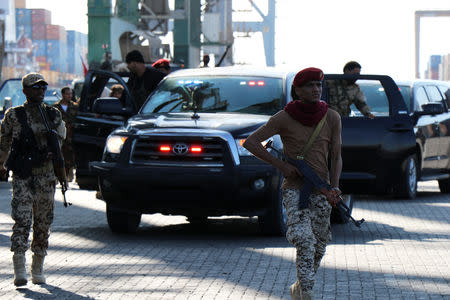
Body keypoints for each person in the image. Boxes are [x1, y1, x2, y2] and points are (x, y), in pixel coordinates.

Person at [243, 68, 342, 300]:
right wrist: (283, 166)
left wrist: (335, 187)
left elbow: (336, 155)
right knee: (304, 240)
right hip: (295, 190)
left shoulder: (332, 117)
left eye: (319, 85)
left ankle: (300, 285)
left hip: (322, 189)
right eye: (310, 86)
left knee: (319, 245)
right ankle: (306, 293)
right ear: (297, 90)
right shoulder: (284, 117)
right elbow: (251, 142)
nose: (316, 89)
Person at [0, 73, 66, 286]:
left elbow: (60, 144)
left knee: (43, 223)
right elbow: (4, 142)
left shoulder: (53, 115)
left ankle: (37, 267)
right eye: (35, 87)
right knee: (21, 220)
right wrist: (1, 165)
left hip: (46, 177)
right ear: (25, 91)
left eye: (43, 87)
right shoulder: (13, 115)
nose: (40, 90)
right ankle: (19, 268)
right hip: (23, 175)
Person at [53, 86, 79, 182]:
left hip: (71, 136)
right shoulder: (55, 107)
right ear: (63, 94)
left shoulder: (75, 107)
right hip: (59, 136)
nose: (69, 96)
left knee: (70, 157)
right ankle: (58, 176)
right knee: (58, 156)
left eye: (71, 94)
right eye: (67, 94)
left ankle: (68, 175)